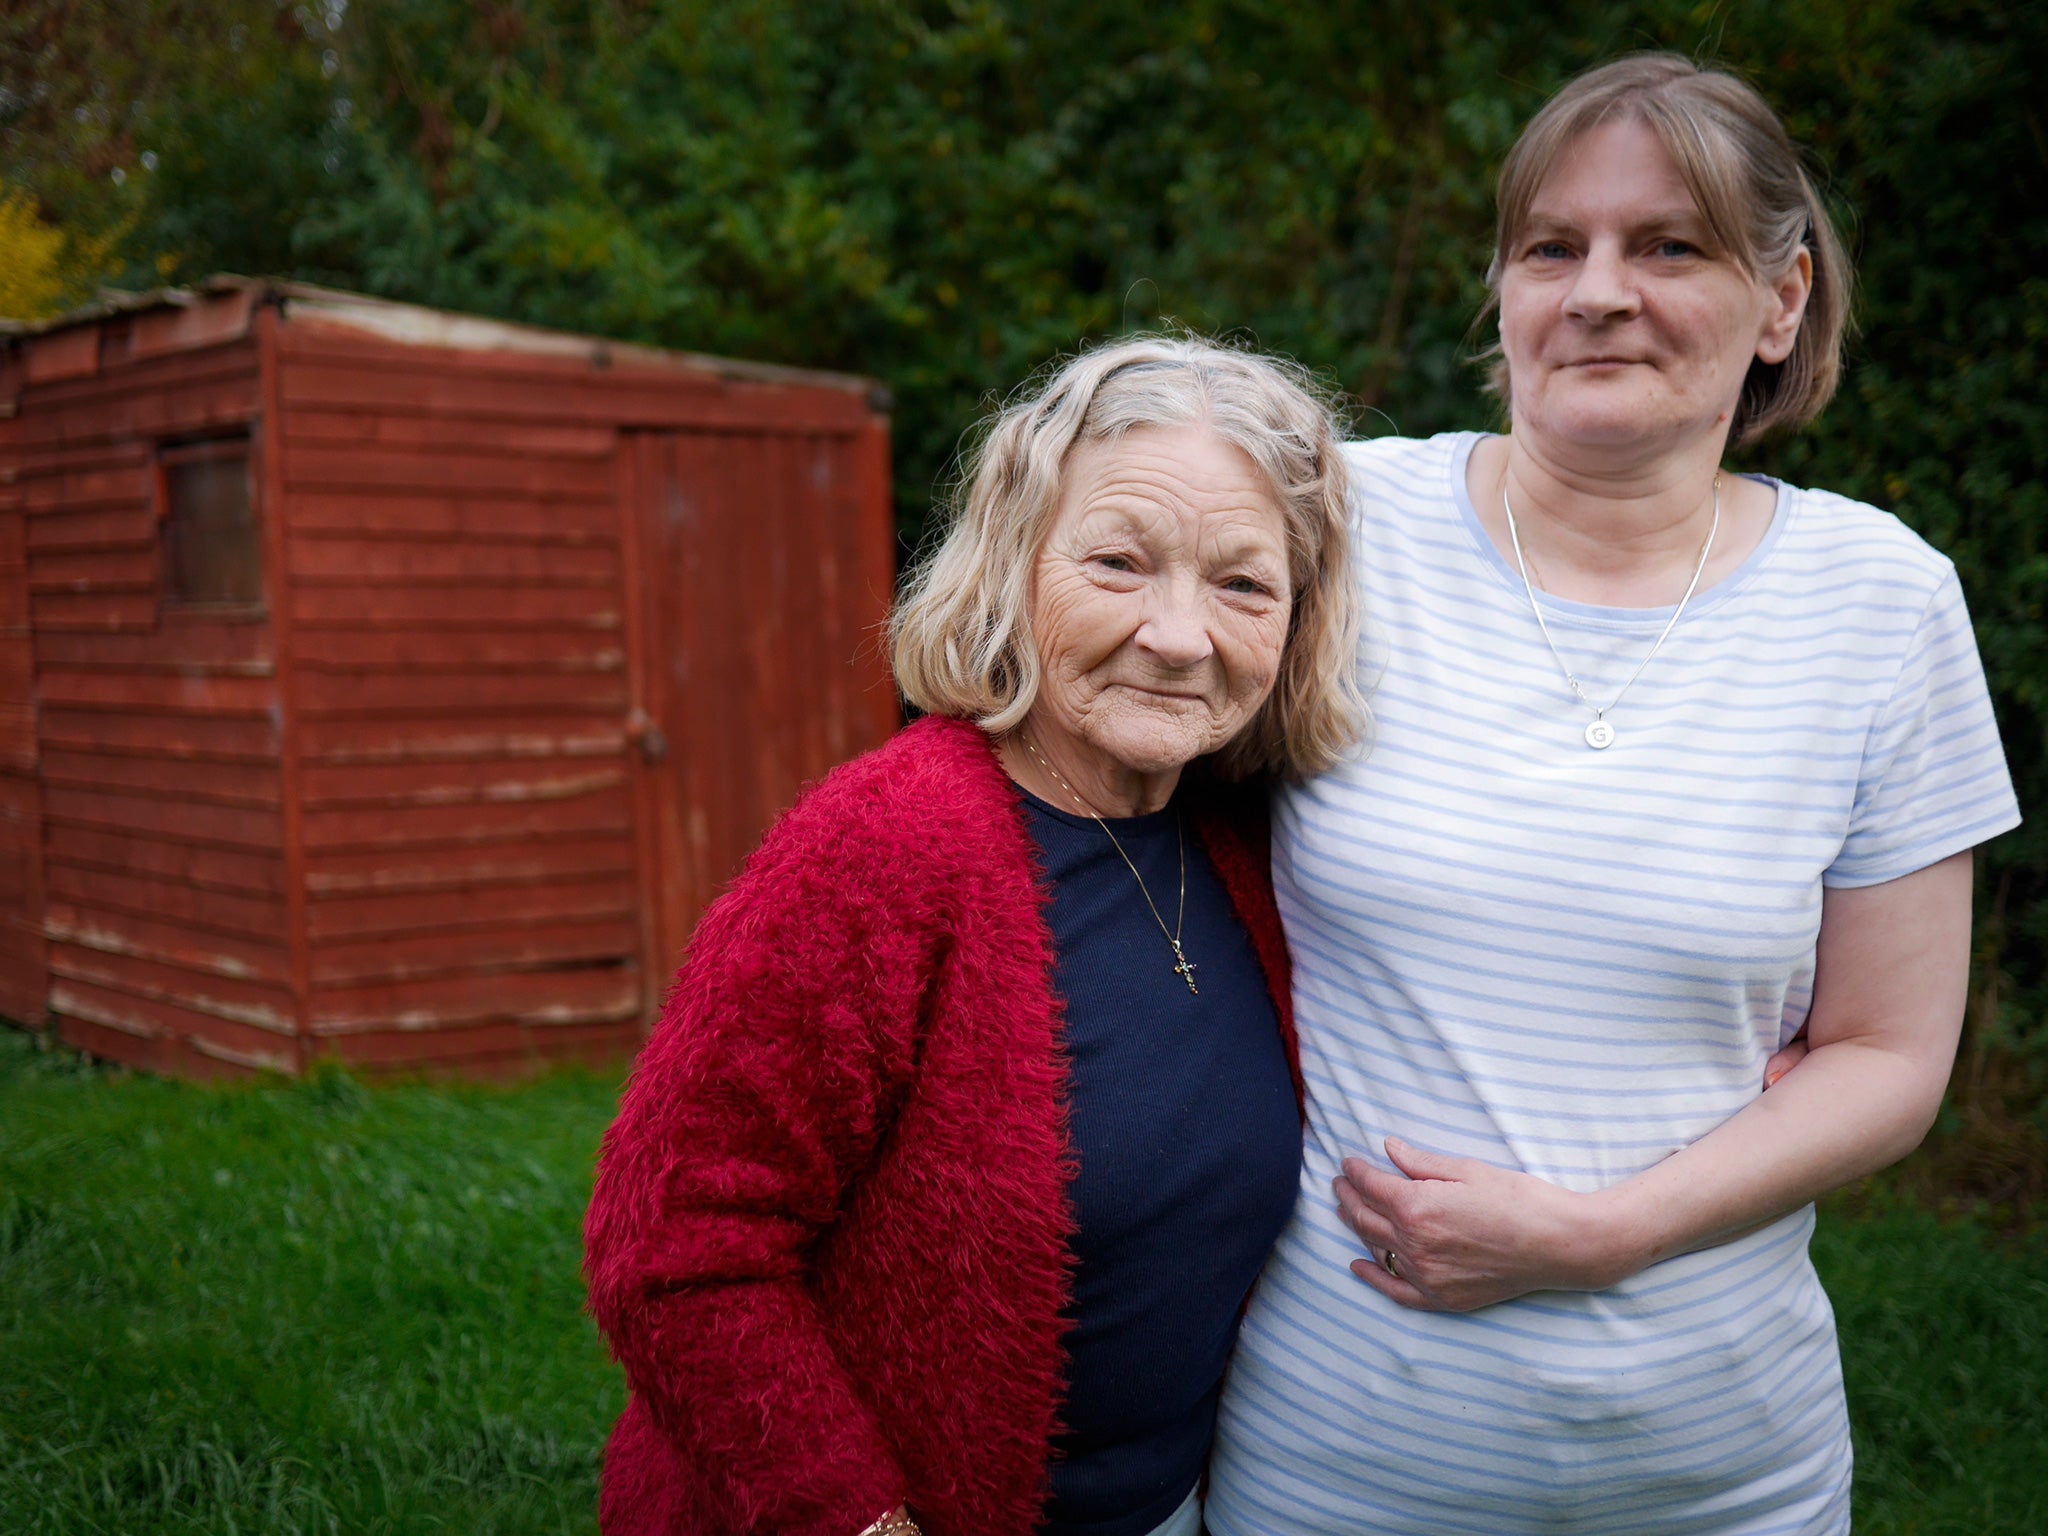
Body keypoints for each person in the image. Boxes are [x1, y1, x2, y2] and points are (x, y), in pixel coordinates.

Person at [1204, 53, 2021, 1536]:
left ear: (1782, 300)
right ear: (1505, 291)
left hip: (1724, 1471)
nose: (1596, 291)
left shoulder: (1883, 601)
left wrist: (1597, 1235)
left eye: (1669, 246)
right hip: (1345, 1456)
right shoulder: (1338, 521)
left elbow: (1893, 1057)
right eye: (1550, 247)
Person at [582, 335, 1370, 1536]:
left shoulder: (1246, 842)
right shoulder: (882, 846)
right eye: (1118, 561)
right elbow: (677, 1250)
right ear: (1014, 561)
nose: (1177, 633)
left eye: (1242, 585)